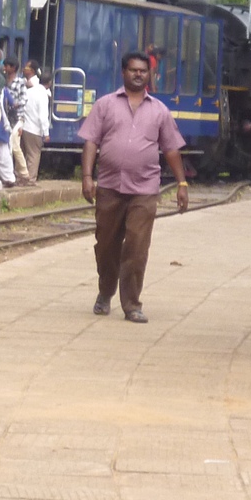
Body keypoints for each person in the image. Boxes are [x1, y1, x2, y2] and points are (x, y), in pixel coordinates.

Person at [78, 51, 186, 324]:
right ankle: (105, 292)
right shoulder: (105, 105)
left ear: (149, 75)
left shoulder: (159, 110)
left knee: (137, 248)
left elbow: (171, 149)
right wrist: (87, 177)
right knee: (106, 246)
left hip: (145, 189)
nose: (139, 74)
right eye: (134, 70)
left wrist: (182, 183)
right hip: (110, 186)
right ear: (124, 73)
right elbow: (91, 141)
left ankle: (132, 305)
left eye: (143, 71)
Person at [15, 70, 51, 185]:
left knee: (22, 153)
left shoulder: (29, 91)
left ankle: (20, 177)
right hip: (35, 129)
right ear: (49, 83)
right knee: (34, 155)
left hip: (23, 127)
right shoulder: (43, 95)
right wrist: (46, 133)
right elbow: (43, 116)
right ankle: (30, 179)